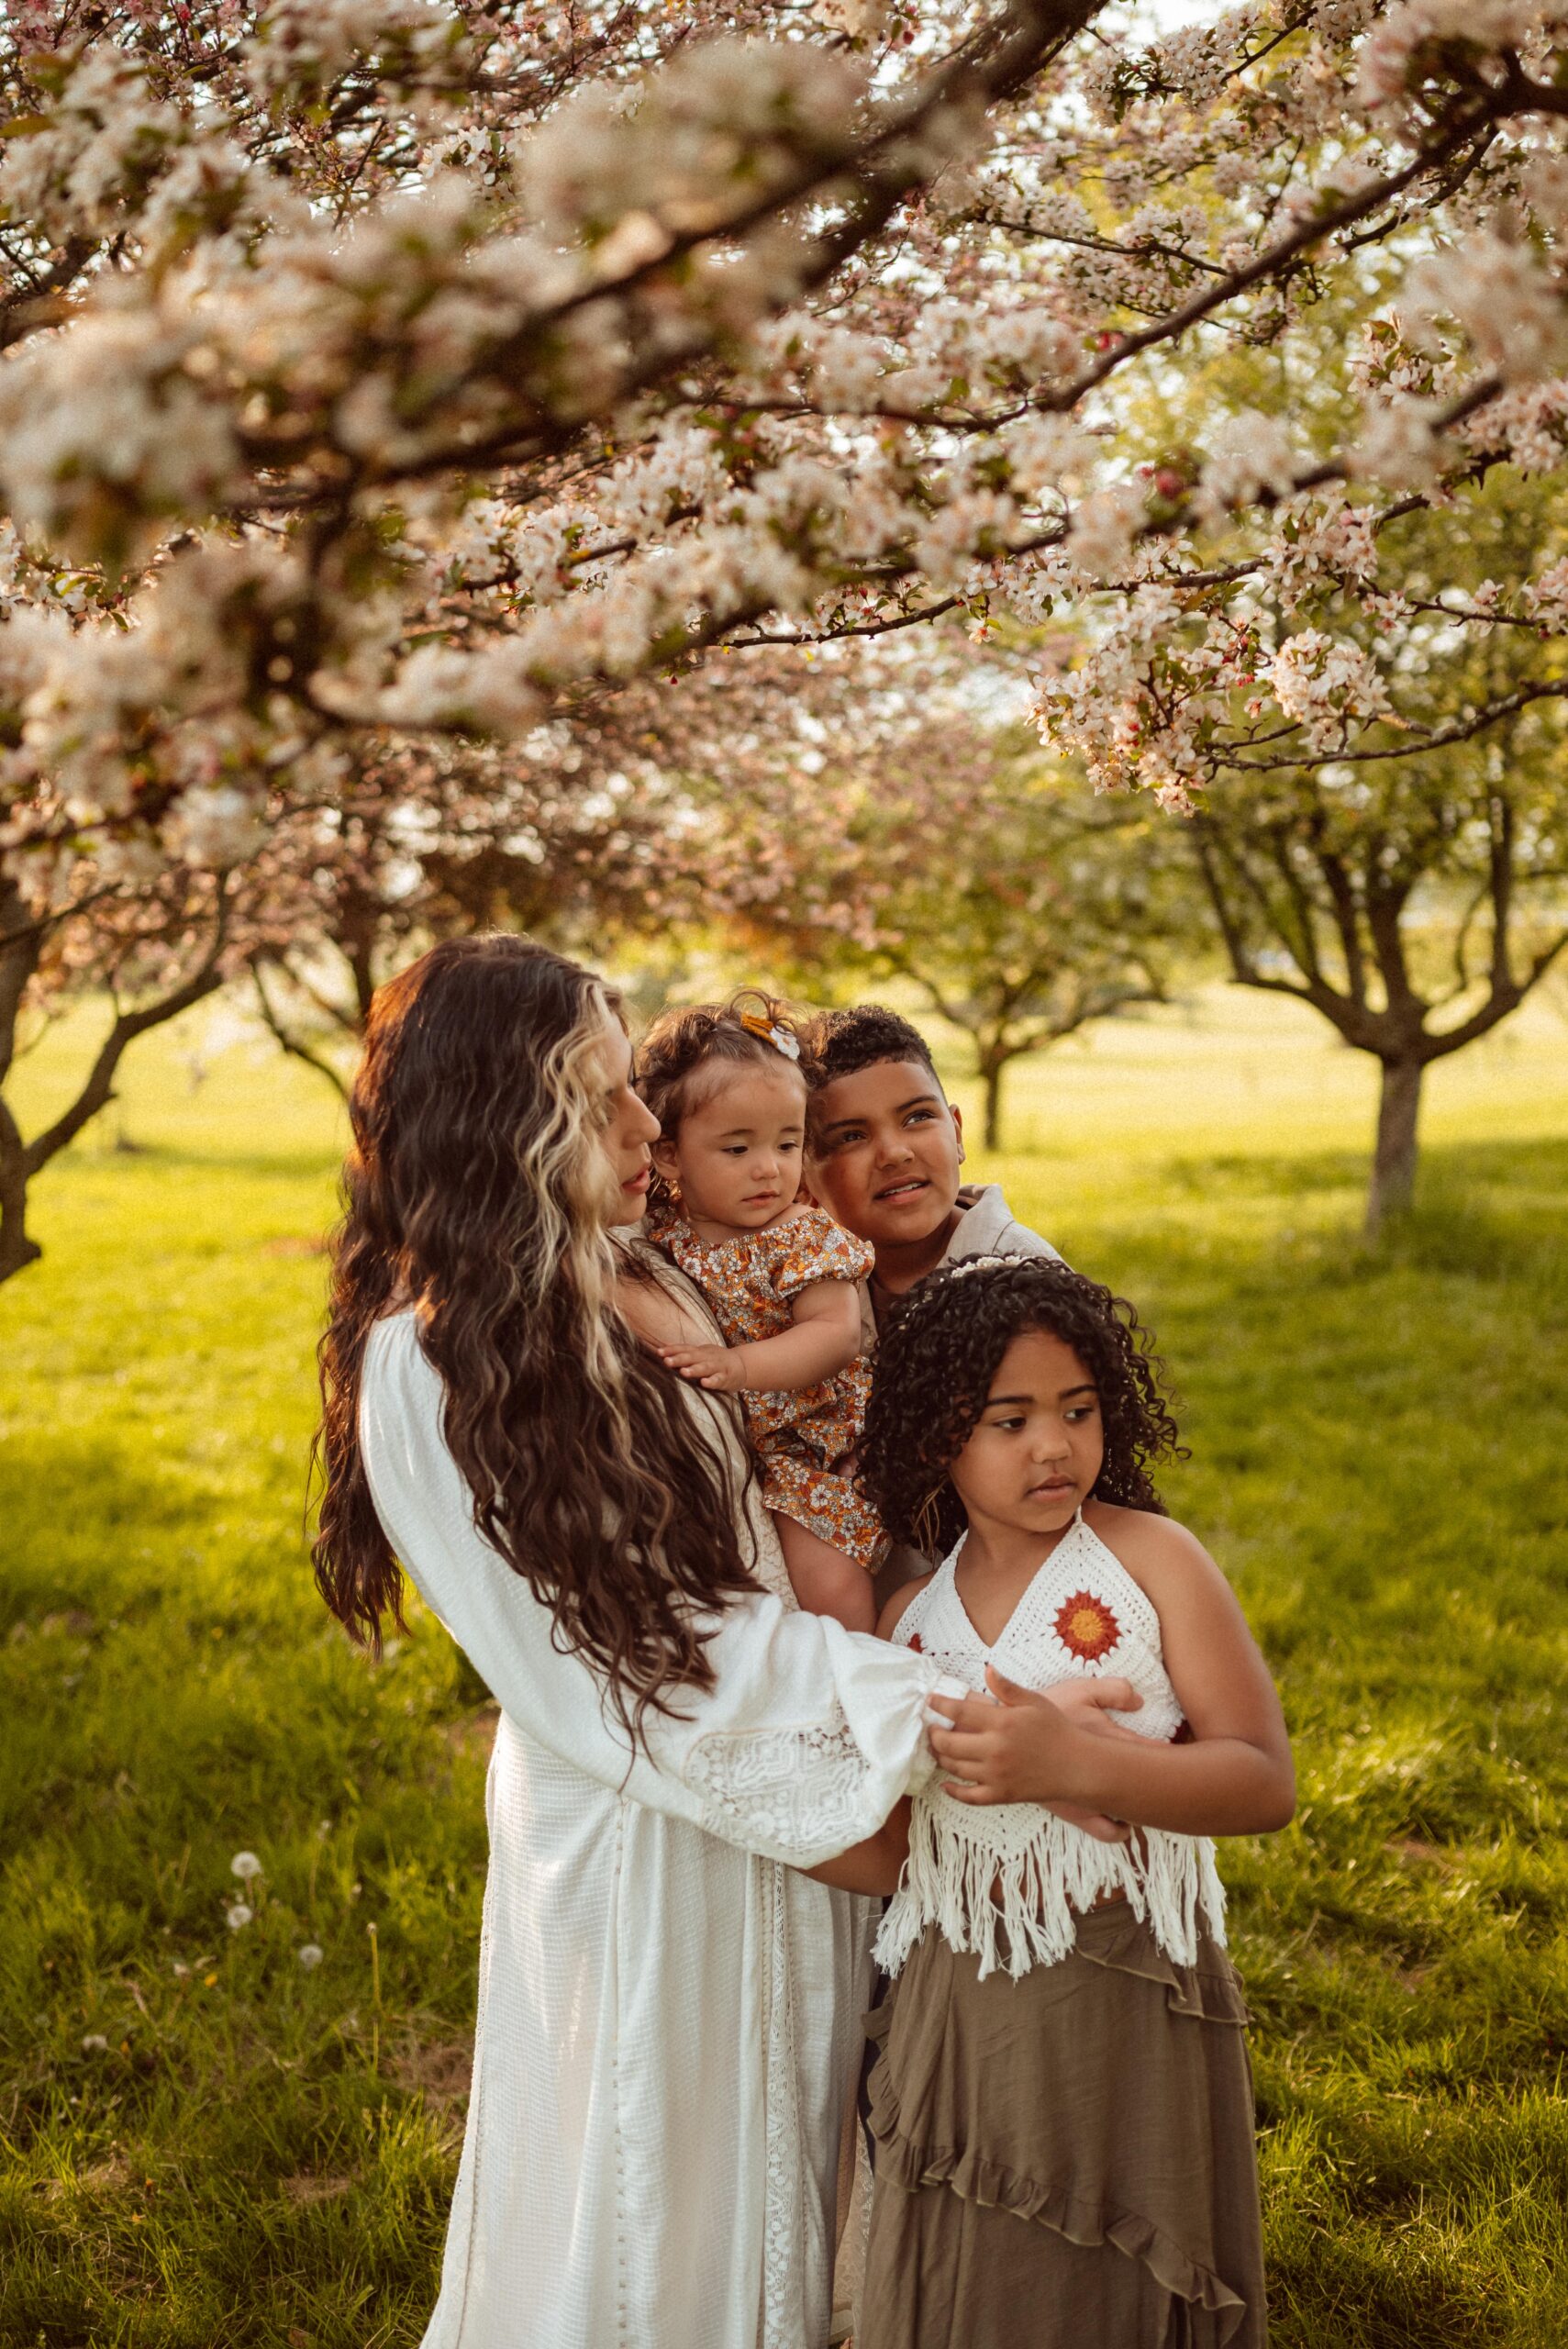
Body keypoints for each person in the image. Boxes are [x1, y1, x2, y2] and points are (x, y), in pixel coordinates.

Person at [311, 936, 978, 2349]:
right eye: (601, 1098)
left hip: (766, 1790)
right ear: (505, 1118)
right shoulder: (433, 1360)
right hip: (659, 1829)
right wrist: (957, 1721)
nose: (641, 1132)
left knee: (780, 2188)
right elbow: (644, 1661)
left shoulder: (626, 1272)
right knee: (651, 2217)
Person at [853, 1253, 1295, 2349]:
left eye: (1077, 1410)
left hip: (1121, 1970)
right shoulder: (905, 1621)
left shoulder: (1149, 1562)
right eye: (1008, 1420)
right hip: (960, 1992)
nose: (1053, 1444)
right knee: (984, 2253)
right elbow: (896, 1837)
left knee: (1113, 2232)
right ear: (934, 1437)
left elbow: (1258, 1776)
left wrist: (1071, 1766)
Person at [635, 991, 882, 1633]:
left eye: (786, 1143)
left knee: (824, 1581)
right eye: (737, 1149)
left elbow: (836, 1333)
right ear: (668, 1156)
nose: (768, 1170)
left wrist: (740, 1366)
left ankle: (866, 1668)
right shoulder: (656, 1231)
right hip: (727, 1451)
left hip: (811, 1444)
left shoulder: (800, 1236)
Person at [799, 1005, 1062, 1339]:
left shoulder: (1029, 1281)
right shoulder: (802, 1280)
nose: (894, 1154)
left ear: (957, 1134)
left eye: (916, 1117)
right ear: (801, 1182)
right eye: (852, 1137)